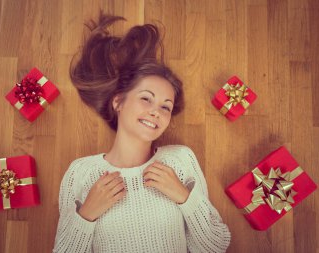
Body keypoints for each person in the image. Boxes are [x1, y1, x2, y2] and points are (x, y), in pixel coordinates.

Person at [53, 12, 231, 253]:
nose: (156, 112)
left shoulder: (180, 160)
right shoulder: (81, 173)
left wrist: (183, 197)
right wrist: (86, 215)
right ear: (118, 102)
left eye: (165, 106)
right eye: (146, 98)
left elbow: (215, 247)